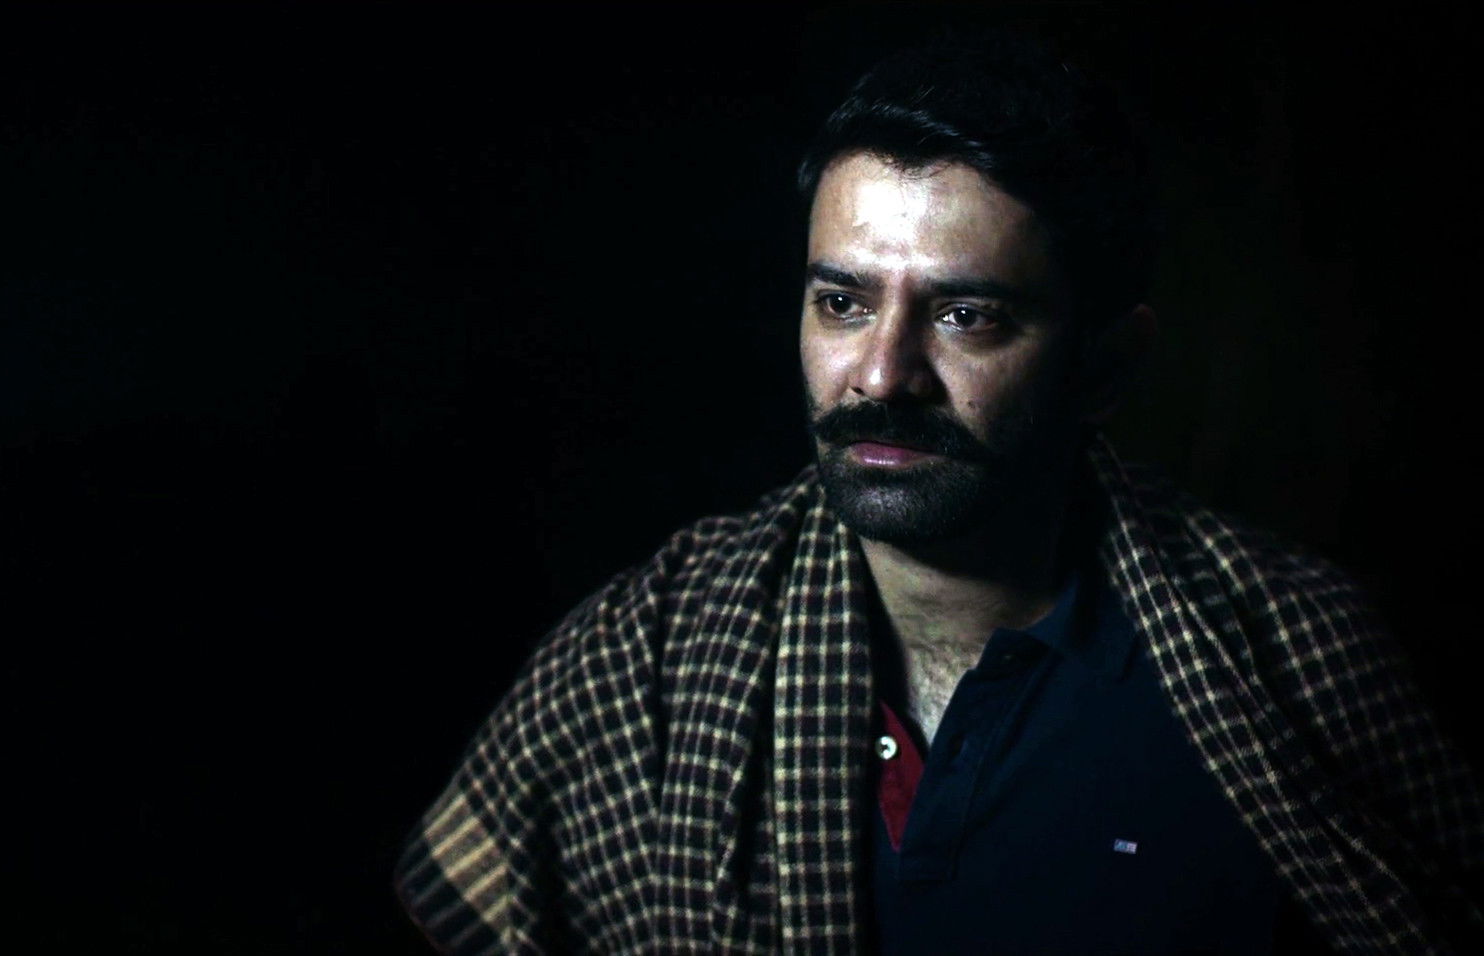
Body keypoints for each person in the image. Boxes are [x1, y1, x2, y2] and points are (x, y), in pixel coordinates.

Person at [393, 26, 1482, 954]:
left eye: (966, 316)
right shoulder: (649, 658)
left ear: (1106, 366)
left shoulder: (1291, 663)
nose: (881, 375)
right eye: (843, 302)